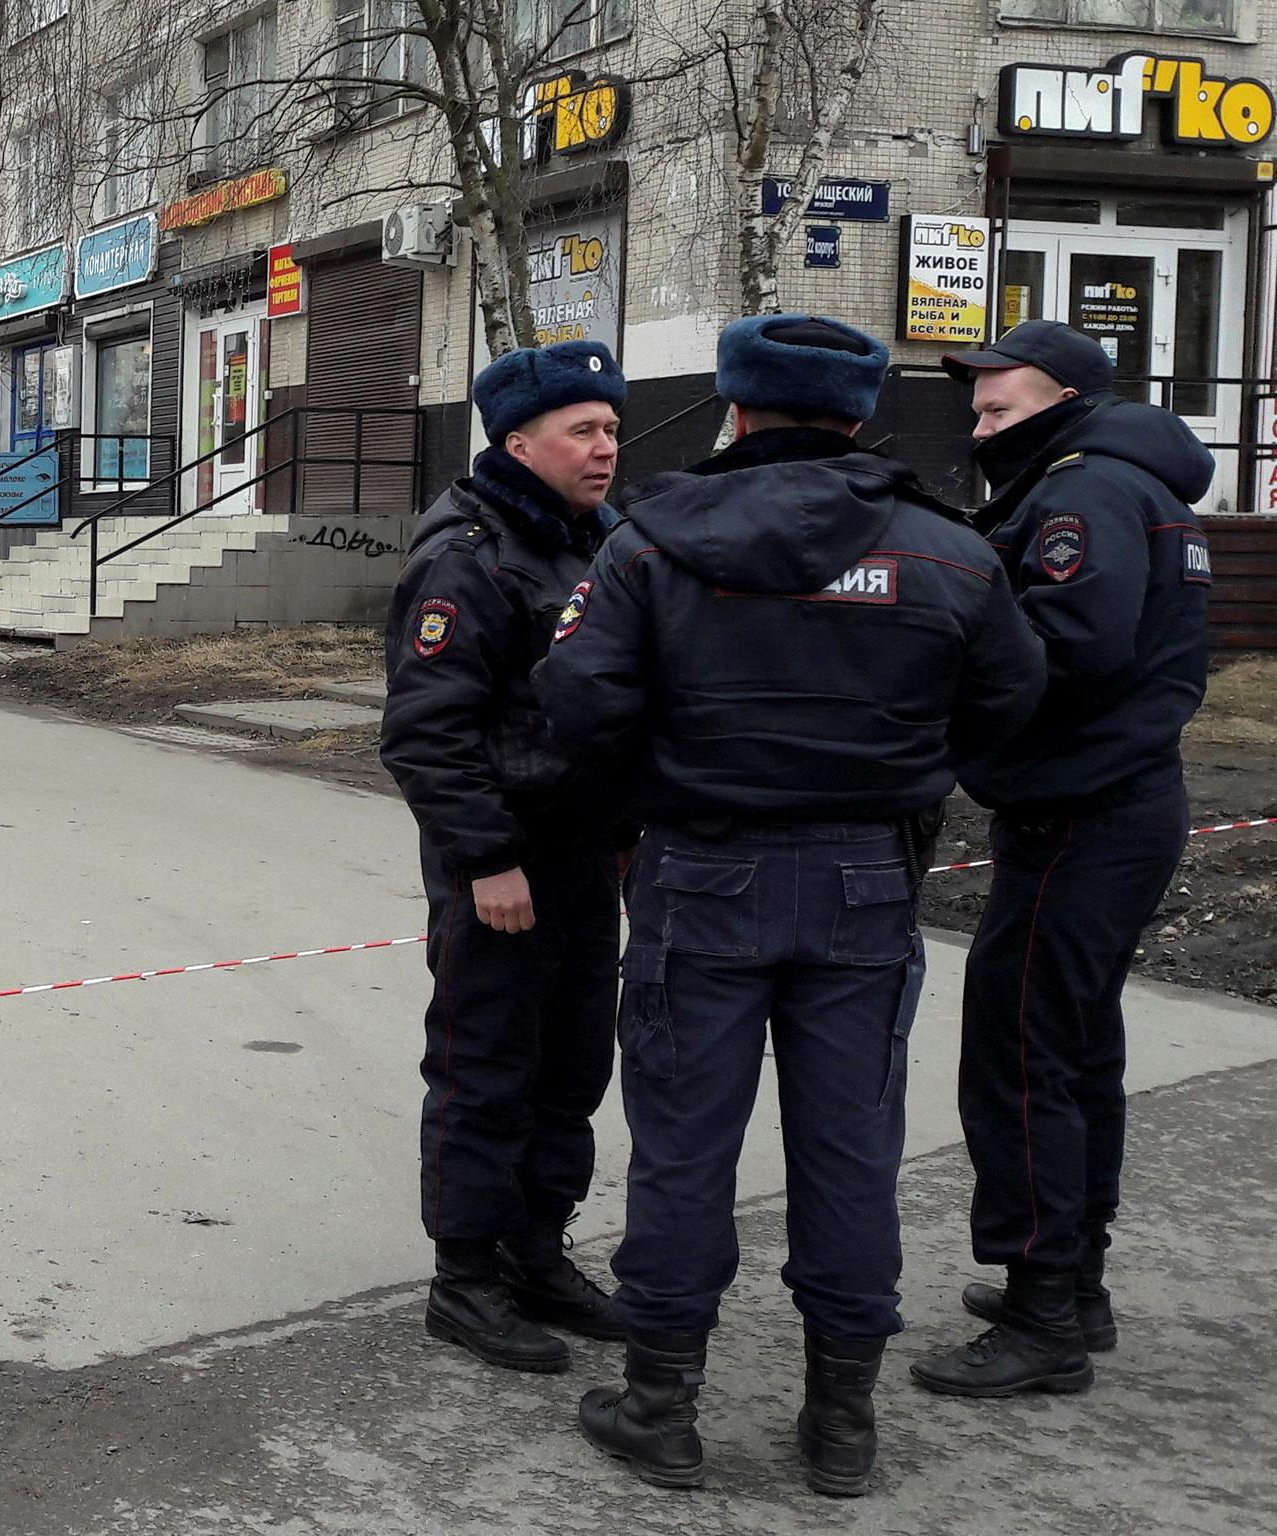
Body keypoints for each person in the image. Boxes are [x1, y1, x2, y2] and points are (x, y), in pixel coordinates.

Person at [534, 314, 1046, 1495]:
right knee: (850, 1151)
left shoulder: (649, 543)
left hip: (699, 870)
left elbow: (576, 705)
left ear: (733, 409)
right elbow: (1011, 700)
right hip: (866, 879)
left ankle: (660, 1406)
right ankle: (840, 1425)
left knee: (680, 1149)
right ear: (858, 416)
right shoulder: (947, 551)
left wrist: (655, 791)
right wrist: (900, 769)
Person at [911, 320, 1212, 1399]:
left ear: (1067, 401)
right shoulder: (1130, 483)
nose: (980, 425)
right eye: (977, 408)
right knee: (1075, 1047)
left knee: (1023, 1054)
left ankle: (1043, 1313)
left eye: (1000, 408)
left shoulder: (1082, 493)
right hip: (1117, 804)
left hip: (1081, 814)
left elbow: (1064, 646)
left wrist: (933, 660)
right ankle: (1071, 1279)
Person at [380, 339, 630, 1376]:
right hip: (501, 863)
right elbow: (426, 732)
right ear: (516, 441)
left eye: (611, 427)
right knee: (485, 1068)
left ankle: (535, 1252)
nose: (605, 447)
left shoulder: (594, 542)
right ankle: (465, 1281)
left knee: (570, 1067)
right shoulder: (467, 555)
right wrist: (485, 859)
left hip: (581, 856)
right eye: (583, 430)